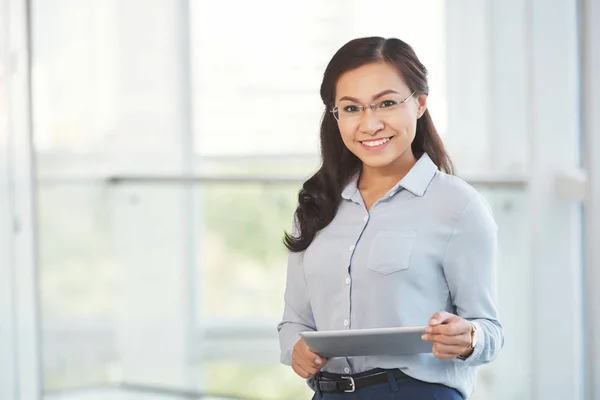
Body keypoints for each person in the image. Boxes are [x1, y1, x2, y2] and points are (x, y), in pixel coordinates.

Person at [276, 37, 504, 399]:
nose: (370, 124)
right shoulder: (318, 204)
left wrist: (468, 337)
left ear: (420, 104)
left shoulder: (457, 206)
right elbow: (293, 324)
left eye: (386, 103)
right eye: (351, 109)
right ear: (335, 116)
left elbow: (489, 329)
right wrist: (296, 351)